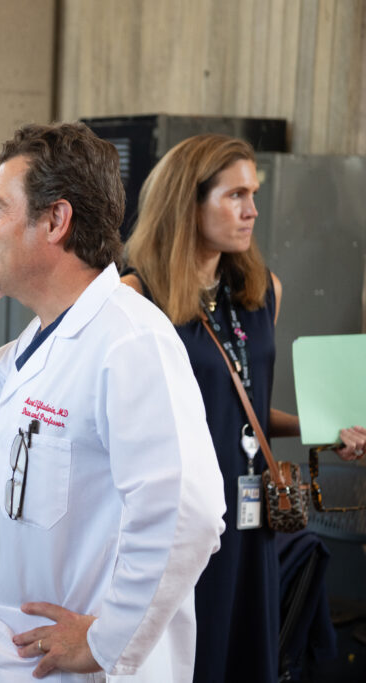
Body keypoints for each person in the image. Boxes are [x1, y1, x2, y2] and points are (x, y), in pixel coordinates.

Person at [0, 122, 226, 681]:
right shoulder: (44, 336)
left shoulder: (131, 341)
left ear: (56, 220)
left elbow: (188, 514)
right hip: (13, 651)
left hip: (80, 665)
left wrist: (108, 640)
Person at [121, 132, 366, 682]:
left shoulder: (263, 291)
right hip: (178, 518)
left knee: (245, 655)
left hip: (253, 516)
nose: (252, 210)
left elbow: (245, 408)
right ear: (189, 202)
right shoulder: (136, 299)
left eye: (253, 194)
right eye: (235, 195)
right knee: (187, 657)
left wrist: (324, 431)